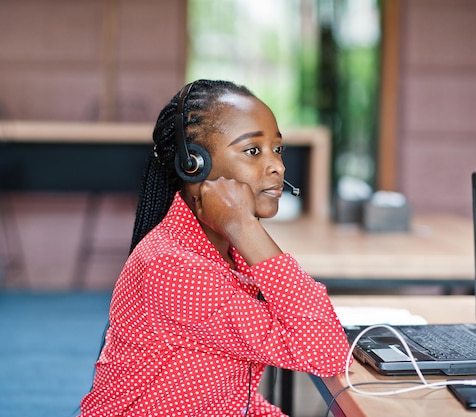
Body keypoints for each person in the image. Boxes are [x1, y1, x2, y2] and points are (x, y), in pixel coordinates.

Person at [79, 79, 350, 417]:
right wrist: (244, 226)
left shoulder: (220, 248)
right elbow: (325, 351)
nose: (277, 166)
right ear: (195, 165)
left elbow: (228, 396)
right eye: (253, 151)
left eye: (277, 149)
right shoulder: (175, 268)